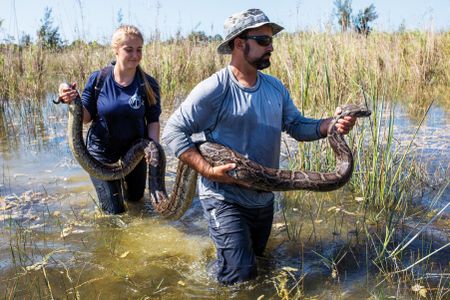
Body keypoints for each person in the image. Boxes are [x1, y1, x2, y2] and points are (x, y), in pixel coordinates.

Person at [162, 9, 356, 285]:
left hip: (264, 197)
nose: (271, 47)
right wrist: (207, 170)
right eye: (264, 40)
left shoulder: (275, 88)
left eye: (271, 39)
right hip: (223, 198)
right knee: (240, 276)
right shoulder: (215, 88)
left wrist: (330, 126)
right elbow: (173, 131)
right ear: (240, 44)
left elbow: (297, 126)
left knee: (258, 267)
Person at [58, 25, 161, 214]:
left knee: (137, 202)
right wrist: (71, 99)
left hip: (135, 154)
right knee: (114, 212)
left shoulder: (149, 84)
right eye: (128, 49)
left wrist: (153, 149)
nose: (135, 55)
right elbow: (86, 118)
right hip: (101, 157)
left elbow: (153, 121)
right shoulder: (99, 79)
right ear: (116, 50)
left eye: (139, 49)